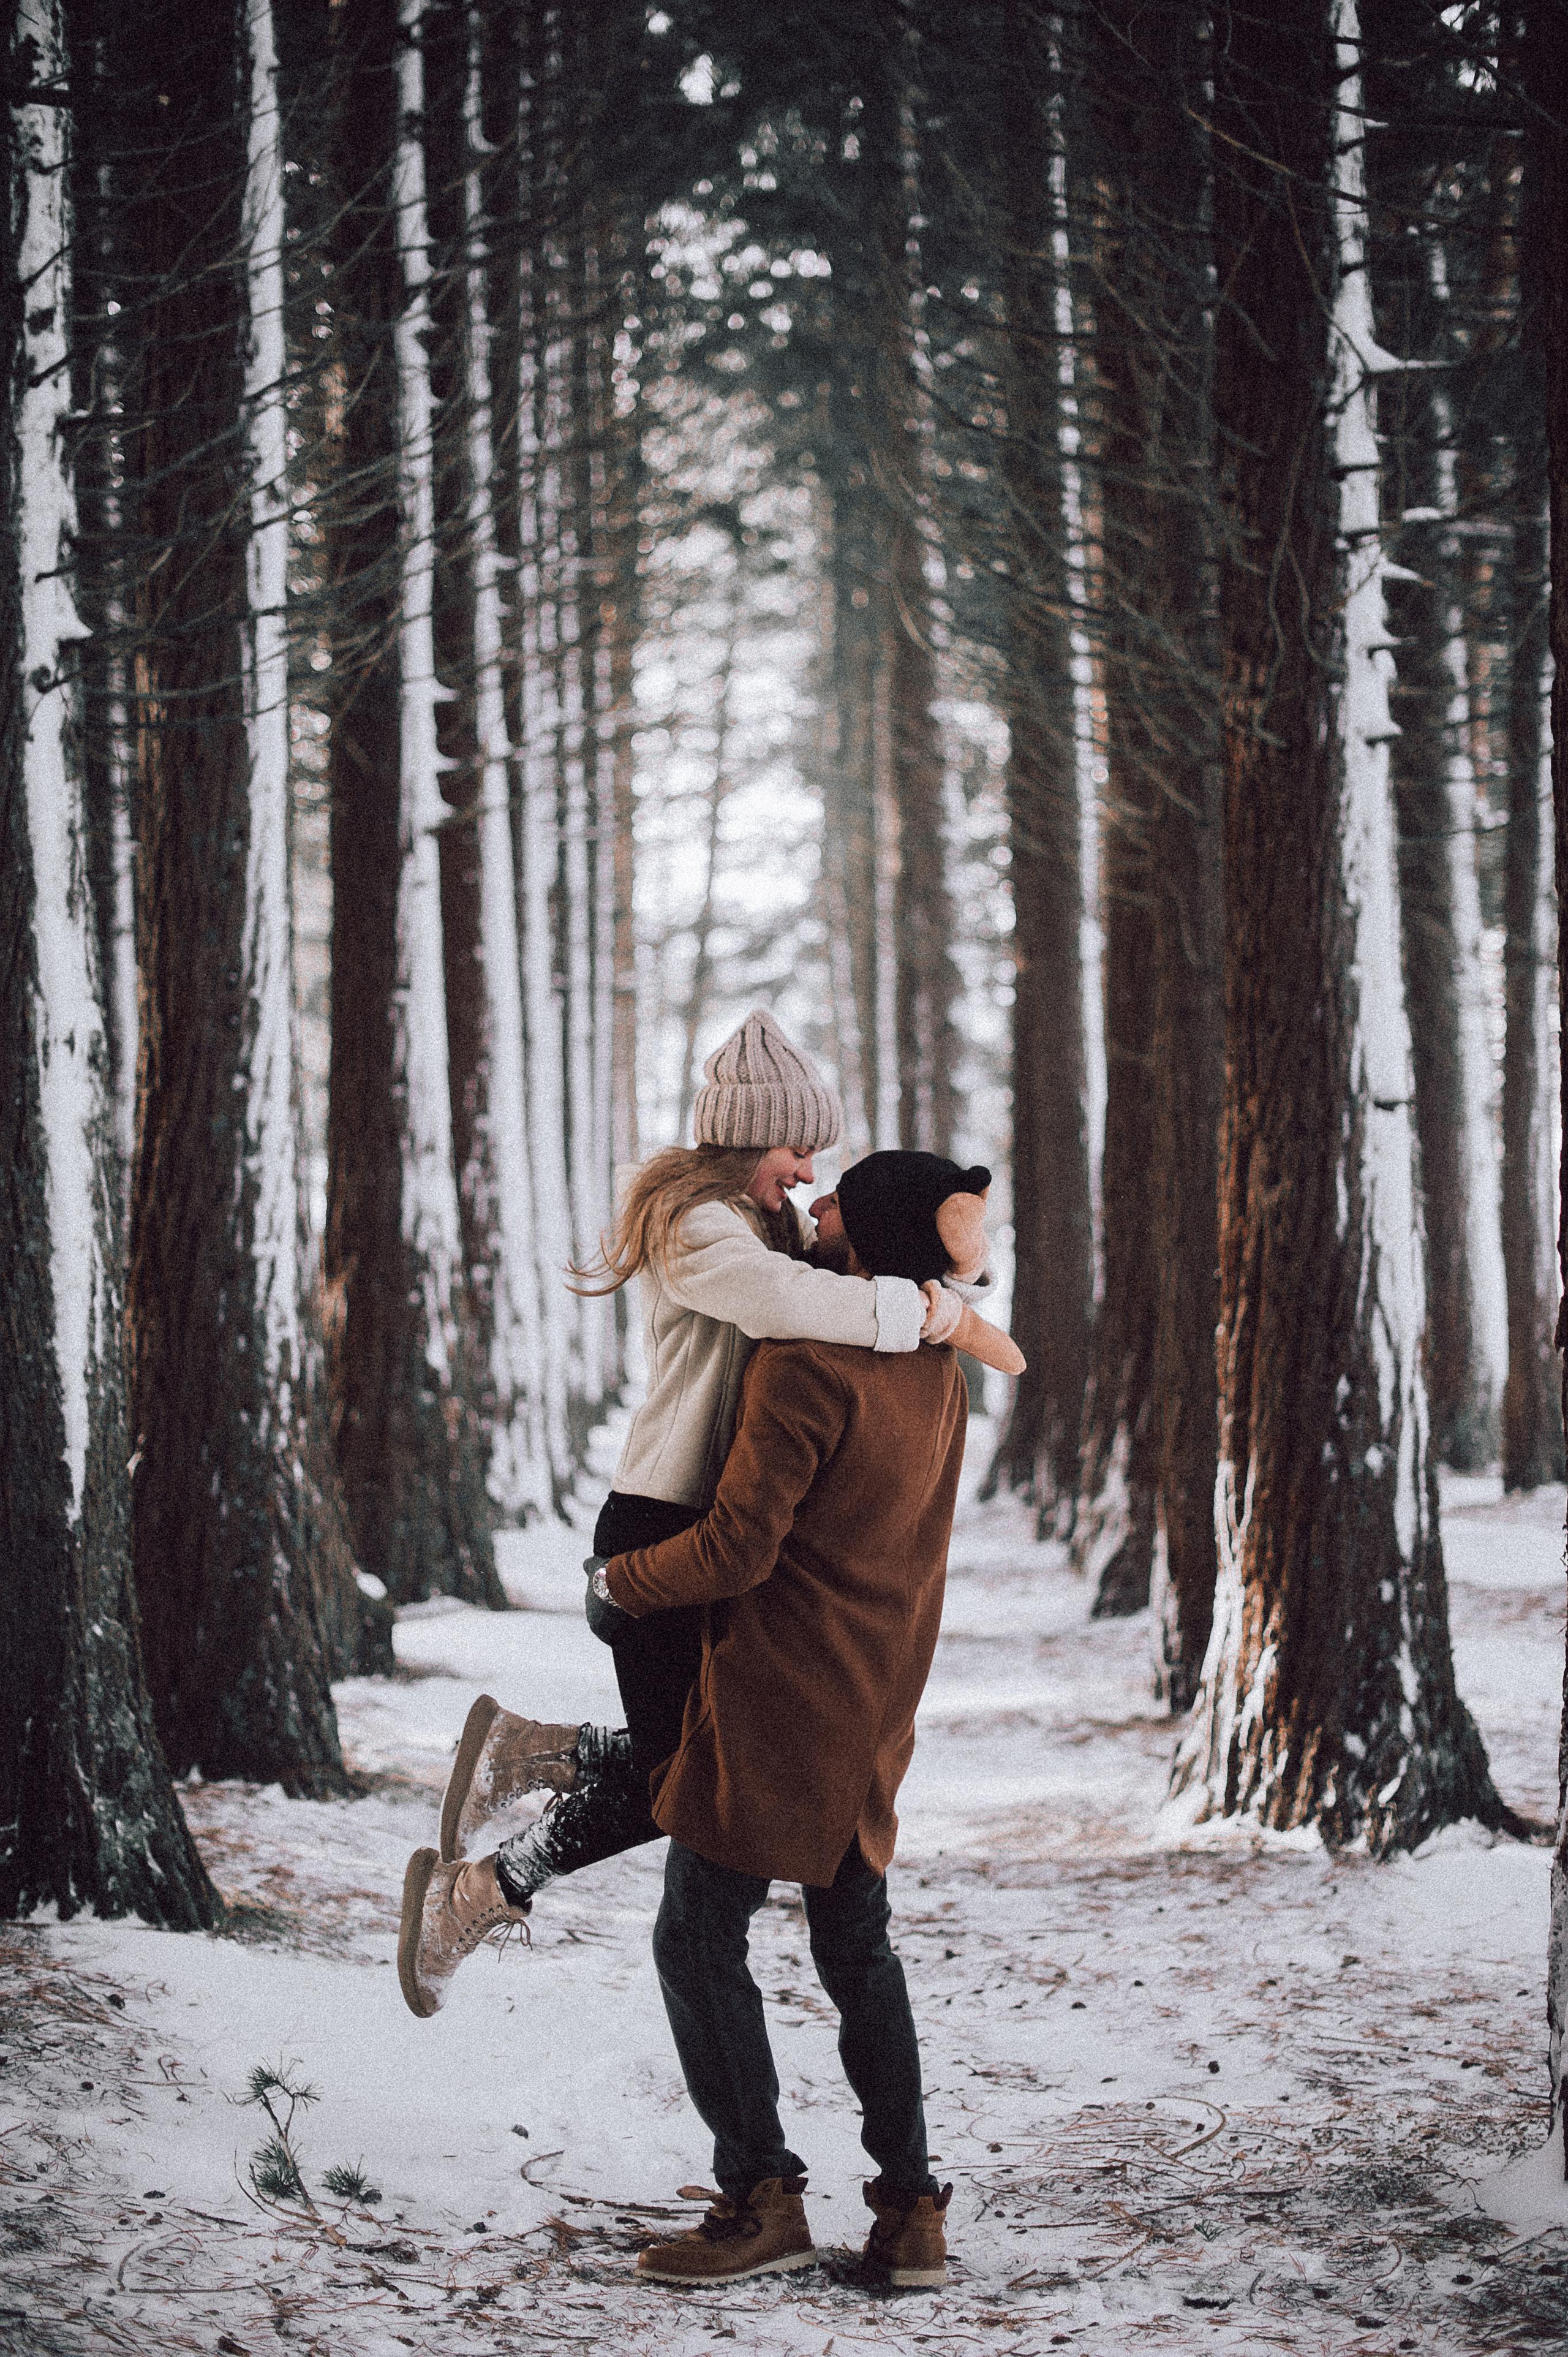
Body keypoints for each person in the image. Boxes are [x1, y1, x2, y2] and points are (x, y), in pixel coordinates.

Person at [397, 1013, 1016, 2011]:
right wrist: (927, 1314)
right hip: (663, 1525)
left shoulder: (760, 1220)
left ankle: (524, 1764)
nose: (810, 1172)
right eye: (796, 1147)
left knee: (696, 1765)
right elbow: (784, 1306)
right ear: (746, 1133)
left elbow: (842, 1286)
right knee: (687, 1781)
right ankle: (478, 1888)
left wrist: (934, 1283)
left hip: (723, 1534)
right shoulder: (695, 1224)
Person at [589, 1150, 1000, 2290]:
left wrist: (621, 1584)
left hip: (777, 1697)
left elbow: (735, 1549)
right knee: (855, 1944)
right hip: (877, 1696)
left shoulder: (808, 1360)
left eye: (834, 1200)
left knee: (695, 1936)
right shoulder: (936, 1361)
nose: (814, 1207)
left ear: (863, 1233)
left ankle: (760, 2197)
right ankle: (913, 2210)